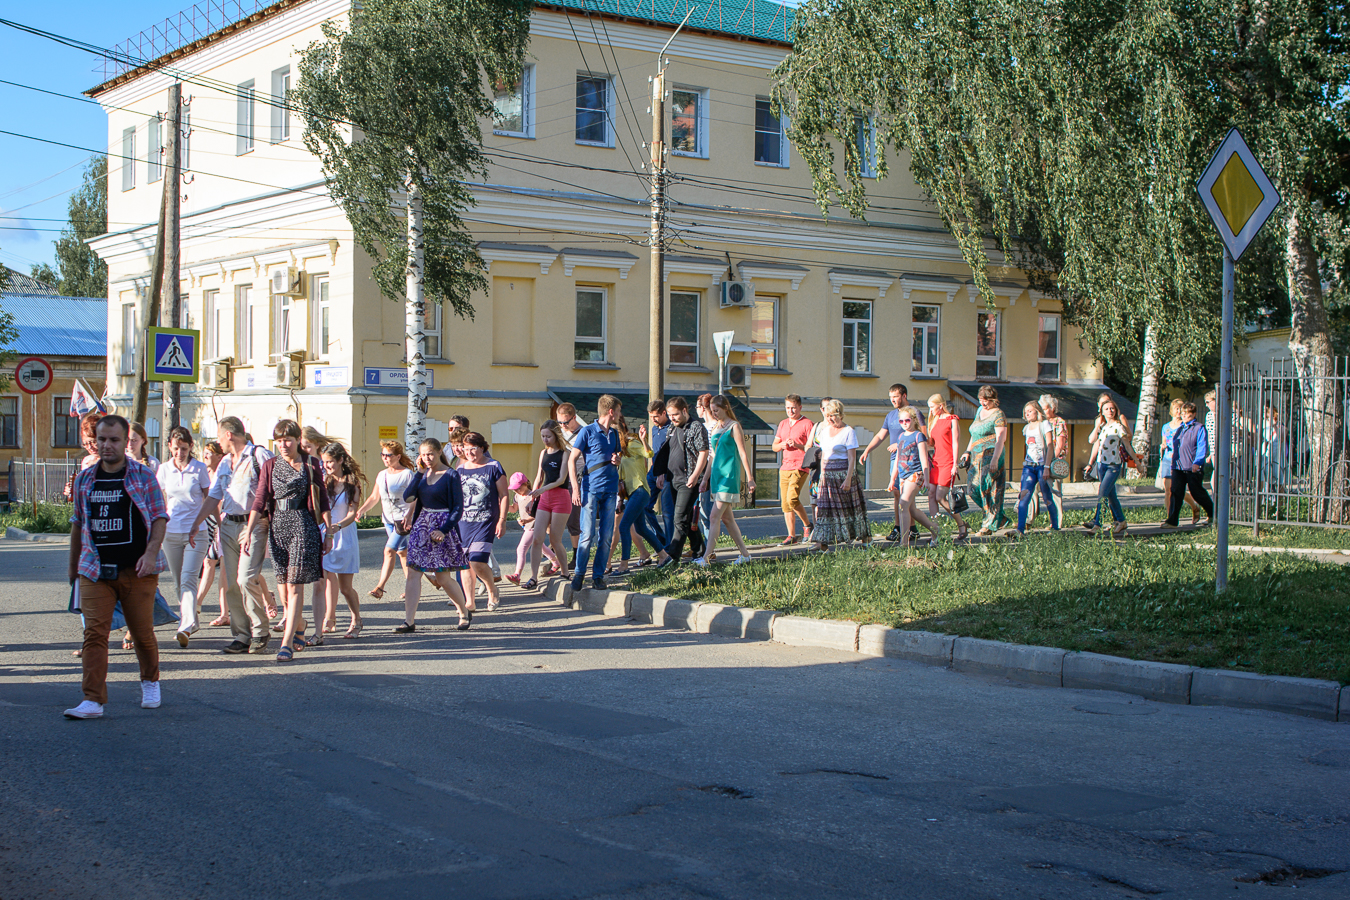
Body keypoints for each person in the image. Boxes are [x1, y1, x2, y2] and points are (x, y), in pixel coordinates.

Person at [64, 415, 168, 719]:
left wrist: (150, 554)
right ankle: (92, 700)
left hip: (137, 569)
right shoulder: (85, 479)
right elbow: (77, 524)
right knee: (94, 634)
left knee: (141, 632)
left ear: (125, 442)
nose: (106, 445)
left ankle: (150, 681)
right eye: (101, 439)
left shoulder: (143, 476)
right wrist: (73, 568)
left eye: (114, 440)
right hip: (95, 569)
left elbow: (159, 518)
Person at [242, 419, 332, 662]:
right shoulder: (270, 465)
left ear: (297, 440)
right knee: (284, 588)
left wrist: (329, 532)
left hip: (303, 526)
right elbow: (260, 499)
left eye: (288, 440)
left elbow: (322, 499)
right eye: (279, 440)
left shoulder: (310, 463)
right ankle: (299, 623)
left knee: (295, 586)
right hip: (278, 529)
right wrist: (249, 530)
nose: (283, 445)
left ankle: (286, 643)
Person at [399, 438, 471, 631]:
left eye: (430, 454)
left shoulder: (451, 475)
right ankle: (409, 621)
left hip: (442, 528)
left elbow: (458, 508)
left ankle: (463, 612)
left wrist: (444, 530)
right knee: (413, 573)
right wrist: (419, 472)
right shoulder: (422, 474)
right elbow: (408, 497)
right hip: (421, 528)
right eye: (423, 455)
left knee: (442, 578)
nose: (427, 458)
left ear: (440, 452)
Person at [157, 426, 212, 648]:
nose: (180, 453)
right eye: (176, 448)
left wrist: (216, 528)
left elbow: (210, 500)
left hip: (196, 533)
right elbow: (159, 500)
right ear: (170, 447)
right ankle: (193, 621)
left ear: (190, 447)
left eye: (184, 449)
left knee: (189, 577)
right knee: (179, 581)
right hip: (170, 532)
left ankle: (185, 626)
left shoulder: (199, 469)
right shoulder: (163, 469)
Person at [569, 395, 623, 591]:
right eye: (618, 411)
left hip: (611, 489)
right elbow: (572, 459)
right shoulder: (587, 431)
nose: (620, 415)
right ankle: (579, 574)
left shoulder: (614, 434)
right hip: (591, 488)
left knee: (606, 536)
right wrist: (575, 489)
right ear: (611, 411)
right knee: (587, 534)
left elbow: (617, 456)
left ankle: (598, 576)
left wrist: (617, 460)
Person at [861, 383, 926, 541]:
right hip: (895, 460)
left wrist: (900, 444)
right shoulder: (890, 415)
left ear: (904, 396)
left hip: (911, 460)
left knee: (906, 496)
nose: (893, 400)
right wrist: (867, 450)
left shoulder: (914, 412)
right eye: (890, 397)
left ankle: (907, 528)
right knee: (897, 493)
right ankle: (905, 528)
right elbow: (880, 435)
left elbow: (923, 434)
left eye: (895, 397)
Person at [697, 395, 754, 566]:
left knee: (714, 516)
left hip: (729, 476)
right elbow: (712, 455)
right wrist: (705, 479)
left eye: (717, 410)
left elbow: (742, 453)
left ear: (725, 408)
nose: (714, 413)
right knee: (727, 519)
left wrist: (750, 478)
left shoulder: (734, 426)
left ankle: (706, 557)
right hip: (717, 477)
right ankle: (745, 555)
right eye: (712, 411)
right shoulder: (716, 427)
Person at [456, 431, 510, 610]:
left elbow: (504, 495)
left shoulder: (493, 466)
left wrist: (502, 520)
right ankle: (469, 602)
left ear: (482, 448)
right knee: (465, 563)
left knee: (478, 561)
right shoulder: (460, 469)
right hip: (464, 522)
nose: (469, 453)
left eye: (473, 448)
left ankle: (492, 589)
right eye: (466, 449)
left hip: (485, 521)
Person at [357, 439, 416, 601]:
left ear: (398, 456)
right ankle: (413, 586)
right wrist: (361, 510)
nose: (385, 458)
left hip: (402, 521)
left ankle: (380, 587)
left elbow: (415, 498)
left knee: (389, 551)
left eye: (388, 455)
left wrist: (409, 516)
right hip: (388, 520)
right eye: (382, 455)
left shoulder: (407, 474)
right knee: (402, 553)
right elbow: (374, 497)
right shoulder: (382, 474)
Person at [654, 397, 708, 569]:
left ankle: (673, 557)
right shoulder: (672, 427)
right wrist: (661, 472)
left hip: (688, 480)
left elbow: (704, 452)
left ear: (685, 411)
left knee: (679, 518)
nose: (672, 418)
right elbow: (667, 451)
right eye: (670, 415)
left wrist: (695, 475)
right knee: (686, 518)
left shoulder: (696, 427)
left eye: (675, 414)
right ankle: (699, 551)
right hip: (673, 478)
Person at [811, 399, 871, 549]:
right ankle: (823, 544)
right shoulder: (824, 432)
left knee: (851, 508)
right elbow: (824, 455)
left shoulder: (848, 431)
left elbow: (852, 458)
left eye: (833, 416)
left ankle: (865, 539)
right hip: (827, 476)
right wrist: (822, 476)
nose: (830, 419)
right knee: (825, 509)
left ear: (840, 415)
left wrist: (848, 479)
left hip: (843, 475)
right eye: (828, 416)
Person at [526, 420, 578, 590]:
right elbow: (539, 477)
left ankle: (565, 572)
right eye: (543, 436)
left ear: (556, 435)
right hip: (544, 499)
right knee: (537, 539)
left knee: (555, 540)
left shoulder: (565, 454)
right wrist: (532, 498)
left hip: (560, 498)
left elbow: (562, 479)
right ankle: (533, 577)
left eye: (548, 436)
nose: (545, 439)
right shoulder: (543, 453)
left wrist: (542, 489)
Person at [609, 416, 666, 574]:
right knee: (641, 529)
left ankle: (624, 565)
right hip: (632, 493)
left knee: (623, 526)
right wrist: (618, 463)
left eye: (612, 432)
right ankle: (663, 555)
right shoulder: (620, 449)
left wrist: (643, 440)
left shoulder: (632, 443)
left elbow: (649, 453)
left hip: (639, 490)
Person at [322, 442, 365, 639]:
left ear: (340, 460)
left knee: (345, 588)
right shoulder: (324, 482)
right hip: (325, 535)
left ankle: (356, 619)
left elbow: (352, 513)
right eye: (325, 462)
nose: (327, 466)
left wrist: (337, 526)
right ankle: (329, 618)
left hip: (344, 536)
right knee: (324, 580)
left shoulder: (352, 485)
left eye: (330, 461)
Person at [960, 385, 1011, 535]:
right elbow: (974, 434)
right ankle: (998, 517)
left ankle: (988, 525)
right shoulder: (979, 411)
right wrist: (967, 451)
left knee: (988, 489)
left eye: (986, 400)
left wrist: (995, 459)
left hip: (991, 455)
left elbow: (1001, 439)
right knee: (972, 489)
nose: (983, 403)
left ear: (993, 400)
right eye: (981, 400)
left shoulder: (998, 415)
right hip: (976, 456)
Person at [887, 405, 941, 546]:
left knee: (903, 504)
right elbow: (897, 459)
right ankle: (935, 529)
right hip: (903, 476)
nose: (904, 423)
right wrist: (892, 479)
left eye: (907, 420)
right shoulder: (900, 436)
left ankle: (904, 543)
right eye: (901, 421)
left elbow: (924, 459)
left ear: (914, 420)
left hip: (915, 474)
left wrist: (927, 480)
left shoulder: (918, 436)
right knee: (910, 509)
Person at [1083, 399, 1137, 536]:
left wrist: (1137, 462)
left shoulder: (1118, 427)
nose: (1110, 411)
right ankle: (1121, 521)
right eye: (1106, 409)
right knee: (1111, 495)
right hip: (1101, 465)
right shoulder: (1103, 427)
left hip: (1113, 465)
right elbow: (1094, 443)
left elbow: (1127, 445)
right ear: (1101, 411)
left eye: (1112, 408)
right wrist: (1090, 463)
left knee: (1102, 494)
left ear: (1116, 410)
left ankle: (1097, 524)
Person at [1164, 400, 1215, 529]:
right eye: (1183, 414)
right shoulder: (1180, 428)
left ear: (1194, 414)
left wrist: (1197, 462)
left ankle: (1213, 513)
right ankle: (1172, 521)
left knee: (1196, 492)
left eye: (1188, 414)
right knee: (1176, 492)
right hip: (1178, 466)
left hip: (1192, 467)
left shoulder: (1199, 428)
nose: (1185, 416)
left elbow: (1202, 447)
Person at [197, 440, 231, 628]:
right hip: (208, 522)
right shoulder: (204, 473)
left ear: (219, 456)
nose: (206, 455)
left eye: (209, 452)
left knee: (225, 568)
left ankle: (224, 613)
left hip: (223, 522)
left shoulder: (224, 473)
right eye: (205, 451)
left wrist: (220, 523)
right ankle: (197, 604)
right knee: (209, 562)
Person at [773, 393, 814, 544]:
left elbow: (811, 448)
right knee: (785, 504)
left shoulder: (807, 424)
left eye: (793, 408)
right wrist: (781, 445)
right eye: (788, 408)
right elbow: (774, 446)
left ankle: (807, 525)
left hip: (800, 466)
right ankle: (792, 536)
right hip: (785, 466)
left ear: (800, 407)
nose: (790, 411)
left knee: (792, 498)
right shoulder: (783, 424)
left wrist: (796, 445)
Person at [926, 394, 966, 541]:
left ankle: (961, 524)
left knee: (940, 497)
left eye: (932, 407)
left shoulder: (952, 419)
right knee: (931, 494)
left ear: (940, 405)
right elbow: (932, 443)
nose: (930, 410)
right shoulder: (934, 420)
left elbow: (955, 442)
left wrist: (955, 464)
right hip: (936, 462)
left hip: (948, 461)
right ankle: (935, 531)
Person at [507, 472, 560, 584]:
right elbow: (514, 509)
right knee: (541, 547)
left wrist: (526, 520)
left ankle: (517, 575)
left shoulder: (533, 496)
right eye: (514, 489)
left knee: (521, 549)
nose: (516, 491)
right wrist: (503, 505)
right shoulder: (517, 497)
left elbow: (538, 514)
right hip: (527, 526)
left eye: (518, 488)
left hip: (535, 525)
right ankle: (556, 563)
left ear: (526, 484)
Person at [1016, 402, 1060, 535]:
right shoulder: (1026, 428)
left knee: (1047, 497)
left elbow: (1050, 446)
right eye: (1025, 412)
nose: (1027, 414)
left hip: (1042, 466)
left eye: (1030, 411)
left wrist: (1046, 466)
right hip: (1029, 467)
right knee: (1024, 496)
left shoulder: (1044, 424)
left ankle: (1055, 527)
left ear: (1037, 411)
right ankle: (1020, 529)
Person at [1159, 399, 1202, 525]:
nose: (1179, 411)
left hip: (1181, 459)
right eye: (1176, 408)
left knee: (1177, 489)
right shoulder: (1166, 426)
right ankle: (1170, 517)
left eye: (1181, 409)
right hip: (1168, 458)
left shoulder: (1185, 425)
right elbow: (1164, 441)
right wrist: (1163, 445)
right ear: (1172, 410)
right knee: (1168, 490)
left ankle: (1194, 506)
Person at [554, 402, 586, 567]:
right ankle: (554, 555)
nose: (562, 425)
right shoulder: (560, 434)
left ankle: (576, 556)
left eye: (565, 422)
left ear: (574, 418)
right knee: (554, 518)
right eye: (559, 422)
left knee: (574, 520)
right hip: (561, 480)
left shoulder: (584, 433)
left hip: (578, 480)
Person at [1038, 394, 1069, 529]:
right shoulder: (1041, 423)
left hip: (1055, 462)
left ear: (1053, 408)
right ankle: (1028, 519)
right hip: (1040, 461)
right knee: (1034, 489)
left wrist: (1049, 462)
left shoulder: (1059, 422)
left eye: (1045, 409)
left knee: (1055, 492)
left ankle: (1057, 522)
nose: (1043, 412)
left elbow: (1059, 444)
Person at [646, 399, 675, 541]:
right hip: (653, 471)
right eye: (651, 416)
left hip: (667, 473)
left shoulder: (671, 429)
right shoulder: (654, 429)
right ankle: (660, 538)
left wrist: (662, 473)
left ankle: (670, 544)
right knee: (644, 505)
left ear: (664, 413)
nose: (653, 420)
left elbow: (670, 454)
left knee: (667, 510)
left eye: (656, 416)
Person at [694, 393, 716, 540]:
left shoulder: (715, 426)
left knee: (707, 512)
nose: (696, 410)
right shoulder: (701, 426)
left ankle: (709, 546)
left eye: (697, 407)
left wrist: (705, 477)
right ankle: (702, 545)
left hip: (710, 472)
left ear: (702, 408)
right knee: (698, 512)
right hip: (700, 471)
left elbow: (712, 454)